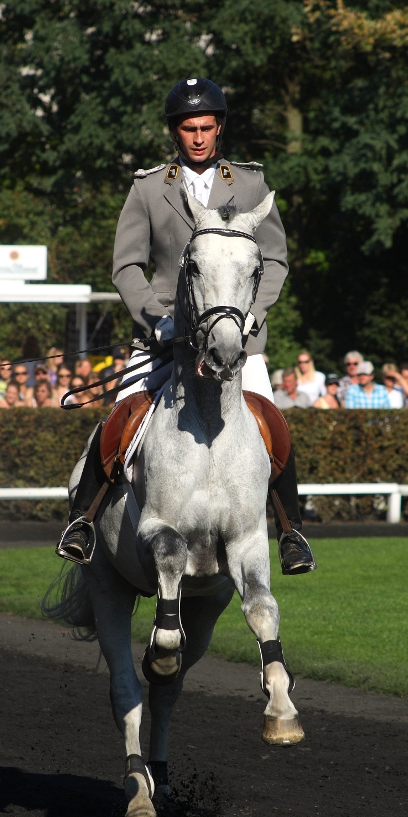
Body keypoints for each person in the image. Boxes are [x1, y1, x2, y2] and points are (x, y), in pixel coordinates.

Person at [57, 76, 315, 575]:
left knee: (272, 427)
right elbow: (126, 266)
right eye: (188, 128)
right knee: (120, 418)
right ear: (175, 132)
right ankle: (82, 520)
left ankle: (291, 532)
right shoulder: (150, 187)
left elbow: (276, 260)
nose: (198, 137)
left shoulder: (252, 184)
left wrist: (251, 315)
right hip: (164, 333)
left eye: (207, 127)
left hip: (235, 335)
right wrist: (154, 319)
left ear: (219, 128)